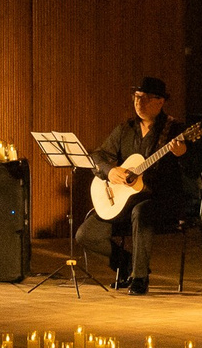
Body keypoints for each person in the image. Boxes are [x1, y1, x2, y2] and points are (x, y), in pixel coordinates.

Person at [76, 76, 193, 296]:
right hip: (124, 200)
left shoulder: (175, 130)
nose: (139, 103)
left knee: (141, 212)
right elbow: (98, 156)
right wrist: (110, 171)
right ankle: (128, 264)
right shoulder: (125, 129)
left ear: (160, 102)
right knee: (85, 234)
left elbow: (195, 169)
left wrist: (183, 154)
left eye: (145, 99)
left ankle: (140, 278)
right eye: (137, 98)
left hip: (160, 200)